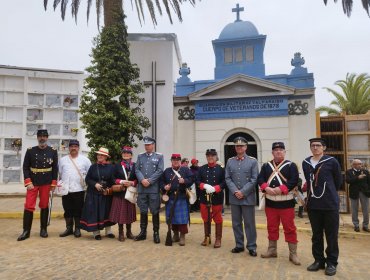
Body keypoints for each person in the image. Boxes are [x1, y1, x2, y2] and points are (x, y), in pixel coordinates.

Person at [302, 138, 342, 276]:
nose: (315, 148)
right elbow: (309, 181)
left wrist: (329, 193)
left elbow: (338, 181)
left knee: (331, 236)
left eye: (318, 145)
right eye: (312, 145)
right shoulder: (306, 163)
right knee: (316, 235)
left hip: (329, 204)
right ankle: (319, 260)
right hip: (313, 204)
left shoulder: (331, 161)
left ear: (324, 147)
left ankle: (331, 262)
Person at [257, 142, 300, 265]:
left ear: (285, 152)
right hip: (271, 203)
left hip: (286, 203)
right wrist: (266, 187)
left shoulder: (291, 165)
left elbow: (294, 180)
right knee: (271, 227)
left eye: (281, 150)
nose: (278, 152)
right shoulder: (266, 166)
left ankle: (293, 254)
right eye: (276, 150)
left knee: (290, 228)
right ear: (272, 152)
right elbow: (260, 179)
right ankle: (272, 250)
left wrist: (280, 189)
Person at [17, 129, 58, 241]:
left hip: (46, 181)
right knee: (29, 205)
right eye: (40, 136)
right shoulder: (30, 151)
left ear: (47, 138)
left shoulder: (53, 151)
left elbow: (55, 168)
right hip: (33, 182)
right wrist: (28, 181)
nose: (42, 138)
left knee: (44, 205)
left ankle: (43, 229)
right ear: (37, 138)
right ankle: (26, 231)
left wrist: (54, 182)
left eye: (44, 136)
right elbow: (25, 167)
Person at [225, 137, 258, 256]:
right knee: (236, 223)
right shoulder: (230, 161)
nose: (239, 148)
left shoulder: (253, 161)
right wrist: (235, 191)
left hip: (247, 197)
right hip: (234, 198)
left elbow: (254, 179)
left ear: (246, 147)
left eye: (241, 146)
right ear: (235, 148)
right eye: (237, 146)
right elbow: (228, 178)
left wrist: (242, 192)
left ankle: (251, 246)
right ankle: (239, 245)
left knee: (249, 223)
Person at [80, 147, 116, 240]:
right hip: (93, 194)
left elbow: (113, 180)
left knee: (106, 212)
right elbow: (87, 179)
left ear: (106, 157)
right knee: (94, 213)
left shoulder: (111, 167)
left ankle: (108, 231)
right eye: (98, 154)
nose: (99, 156)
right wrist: (95, 184)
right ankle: (96, 233)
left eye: (102, 155)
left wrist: (108, 187)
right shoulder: (93, 167)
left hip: (106, 194)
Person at [58, 139, 91, 238]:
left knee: (78, 210)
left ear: (78, 148)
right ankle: (68, 228)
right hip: (66, 189)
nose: (73, 148)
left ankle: (77, 228)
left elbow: (89, 173)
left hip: (79, 189)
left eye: (75, 146)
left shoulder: (85, 160)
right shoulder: (62, 160)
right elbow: (60, 173)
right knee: (67, 209)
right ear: (69, 148)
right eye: (71, 146)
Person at [134, 136, 164, 244]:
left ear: (153, 145)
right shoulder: (140, 156)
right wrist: (142, 180)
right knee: (143, 210)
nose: (147, 146)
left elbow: (160, 170)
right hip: (142, 188)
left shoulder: (159, 157)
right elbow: (136, 169)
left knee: (155, 211)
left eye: (149, 145)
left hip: (153, 189)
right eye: (146, 145)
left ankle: (156, 233)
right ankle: (143, 232)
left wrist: (150, 180)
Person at [161, 154, 194, 246]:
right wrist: (164, 187)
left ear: (180, 161)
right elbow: (161, 181)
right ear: (171, 161)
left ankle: (182, 236)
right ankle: (175, 235)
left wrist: (185, 181)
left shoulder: (185, 170)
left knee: (182, 219)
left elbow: (192, 179)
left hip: (182, 197)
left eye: (178, 160)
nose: (176, 161)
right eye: (174, 160)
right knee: (172, 218)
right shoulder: (167, 171)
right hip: (170, 197)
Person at [196, 149, 226, 248]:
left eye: (212, 155)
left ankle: (218, 239)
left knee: (217, 219)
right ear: (206, 157)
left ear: (216, 156)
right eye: (208, 156)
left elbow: (225, 182)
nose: (210, 157)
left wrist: (216, 188)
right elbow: (197, 180)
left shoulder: (221, 169)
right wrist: (203, 185)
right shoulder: (202, 168)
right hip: (204, 197)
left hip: (217, 197)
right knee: (206, 218)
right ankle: (207, 237)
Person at [109, 146, 137, 241]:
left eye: (128, 153)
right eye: (124, 153)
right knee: (121, 214)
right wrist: (121, 182)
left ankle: (129, 232)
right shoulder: (116, 165)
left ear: (131, 155)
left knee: (129, 213)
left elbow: (138, 178)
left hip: (130, 193)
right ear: (122, 154)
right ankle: (121, 233)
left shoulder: (135, 166)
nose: (126, 154)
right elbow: (112, 178)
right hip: (120, 192)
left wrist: (132, 183)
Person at [346, 159, 370, 232]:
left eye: (360, 164)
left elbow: (369, 182)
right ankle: (356, 225)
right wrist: (357, 178)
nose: (359, 165)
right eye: (357, 164)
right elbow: (348, 181)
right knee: (354, 210)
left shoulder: (365, 171)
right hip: (354, 193)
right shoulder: (349, 172)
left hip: (365, 193)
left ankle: (365, 226)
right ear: (353, 165)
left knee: (366, 210)